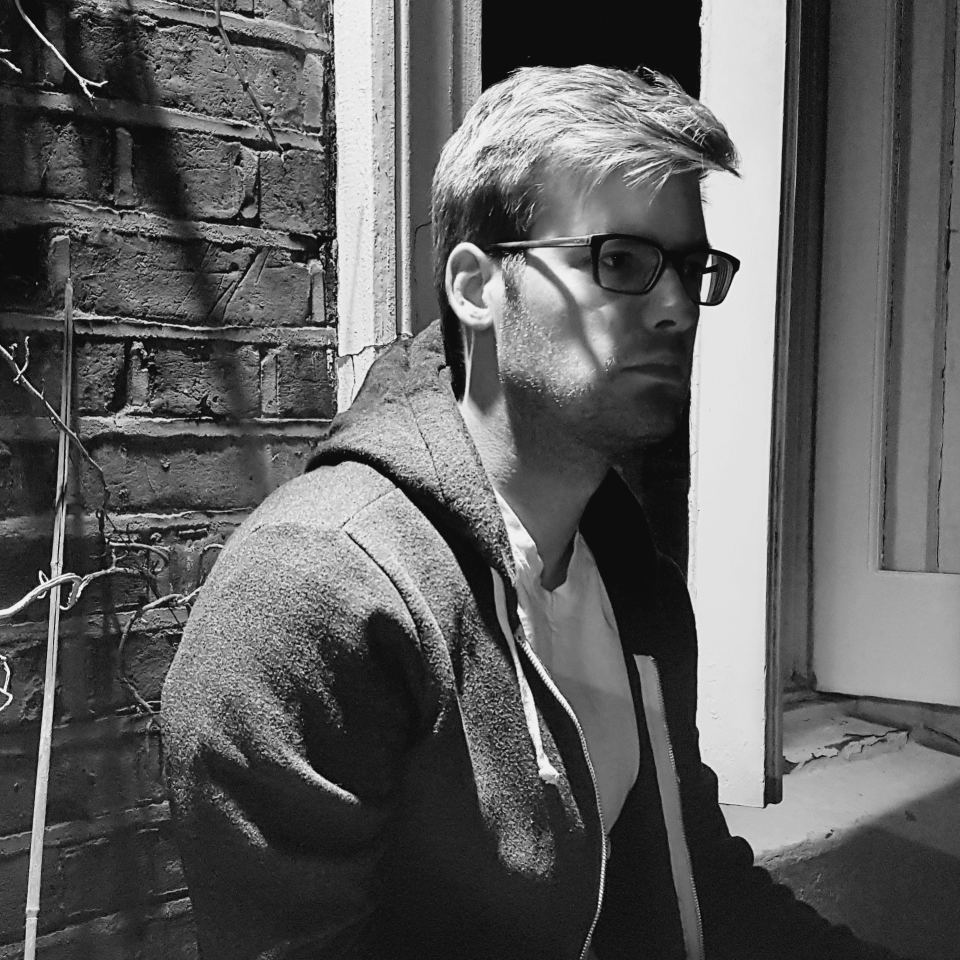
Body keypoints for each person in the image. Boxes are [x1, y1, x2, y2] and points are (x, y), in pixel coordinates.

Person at [162, 65, 909, 960]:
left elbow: (698, 884)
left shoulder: (631, 580)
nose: (677, 307)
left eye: (690, 268)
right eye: (621, 261)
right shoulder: (317, 594)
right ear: (477, 287)